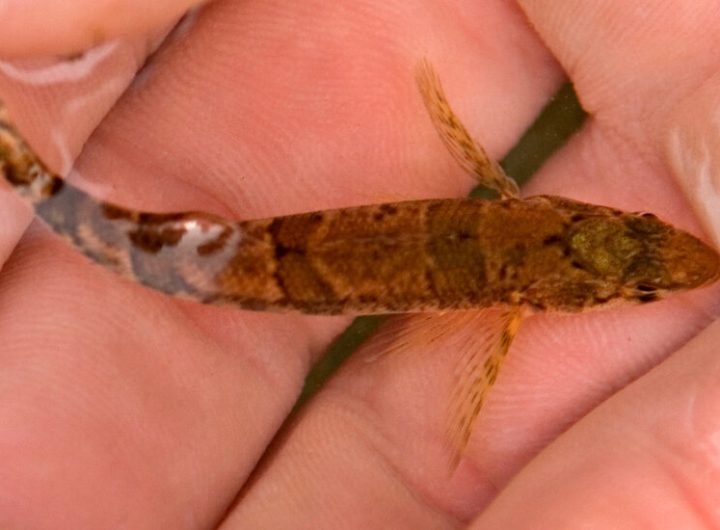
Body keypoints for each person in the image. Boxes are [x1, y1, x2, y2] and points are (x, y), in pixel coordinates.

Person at [1, 1, 719, 527]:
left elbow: (443, 111)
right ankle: (33, 176)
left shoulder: (512, 207)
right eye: (644, 286)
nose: (650, 278)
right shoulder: (511, 309)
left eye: (641, 283)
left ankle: (35, 178)